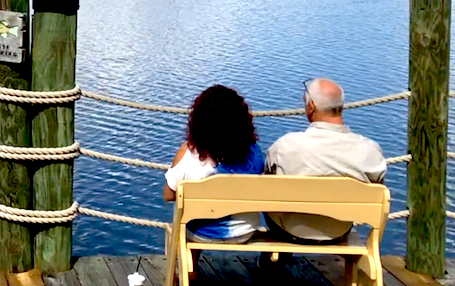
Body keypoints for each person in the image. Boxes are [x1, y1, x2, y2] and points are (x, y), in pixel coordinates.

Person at [263, 77, 386, 244]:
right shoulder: (370, 151)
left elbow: (267, 180)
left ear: (311, 107)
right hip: (338, 232)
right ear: (340, 107)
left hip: (289, 230)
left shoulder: (286, 145)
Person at [163, 85, 265, 250]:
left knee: (189, 213)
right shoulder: (254, 151)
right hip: (245, 231)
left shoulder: (190, 153)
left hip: (202, 233)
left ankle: (190, 270)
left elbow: (168, 195)